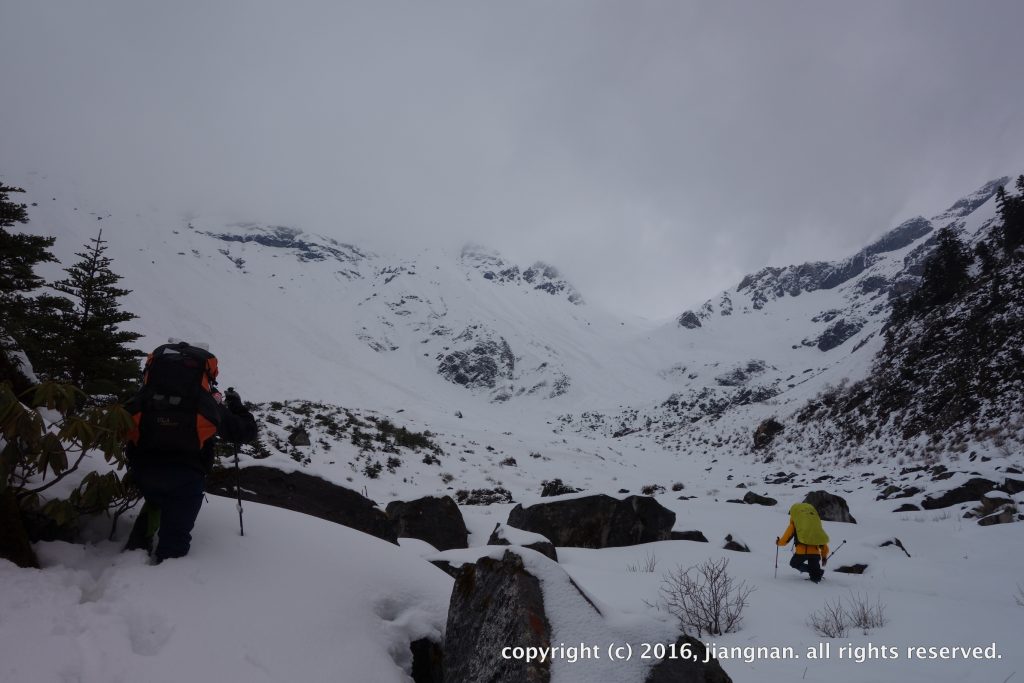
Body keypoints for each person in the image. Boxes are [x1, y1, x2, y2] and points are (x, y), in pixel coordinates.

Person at [124, 342, 257, 562]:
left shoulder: (145, 396)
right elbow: (245, 431)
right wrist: (236, 407)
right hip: (185, 478)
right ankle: (163, 574)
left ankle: (132, 555)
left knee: (155, 499)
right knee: (174, 542)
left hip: (144, 471)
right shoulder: (206, 403)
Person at [776, 502, 830, 583]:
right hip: (815, 553)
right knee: (815, 577)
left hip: (801, 553)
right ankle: (816, 572)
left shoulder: (795, 524)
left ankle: (815, 571)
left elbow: (785, 539)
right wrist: (824, 556)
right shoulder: (815, 526)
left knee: (794, 563)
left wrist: (778, 542)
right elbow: (822, 542)